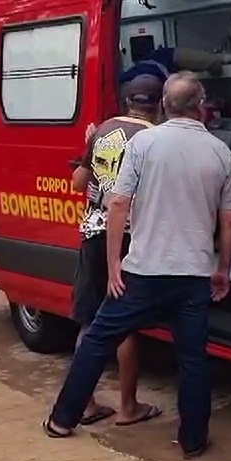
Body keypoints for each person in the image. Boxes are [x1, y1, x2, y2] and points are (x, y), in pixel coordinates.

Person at [44, 72, 231, 458]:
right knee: (193, 357)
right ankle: (193, 441)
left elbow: (117, 203)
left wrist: (114, 266)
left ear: (166, 106)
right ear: (202, 106)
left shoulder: (145, 144)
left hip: (142, 272)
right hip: (192, 276)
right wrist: (223, 269)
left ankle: (62, 418)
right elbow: (230, 218)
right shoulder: (220, 151)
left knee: (98, 339)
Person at [66, 74, 164, 427]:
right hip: (129, 237)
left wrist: (88, 152)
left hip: (93, 233)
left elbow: (78, 182)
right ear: (160, 105)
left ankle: (86, 403)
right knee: (123, 327)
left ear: (126, 102)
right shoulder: (155, 137)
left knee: (89, 321)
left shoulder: (103, 129)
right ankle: (128, 407)